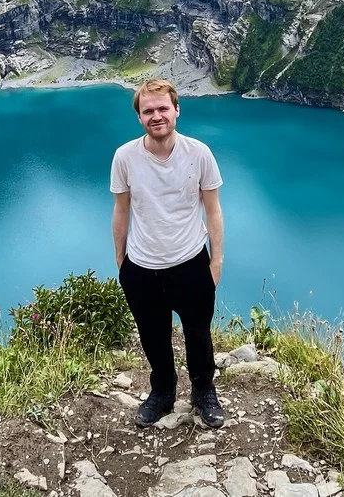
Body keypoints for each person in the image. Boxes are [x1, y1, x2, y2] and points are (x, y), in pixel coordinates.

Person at [110, 78, 225, 428]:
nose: (156, 116)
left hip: (191, 261)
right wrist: (122, 261)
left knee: (198, 333)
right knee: (153, 335)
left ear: (176, 110)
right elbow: (121, 210)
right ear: (139, 117)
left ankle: (204, 390)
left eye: (163, 108)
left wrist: (215, 262)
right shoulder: (125, 157)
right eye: (148, 111)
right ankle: (162, 391)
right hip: (142, 267)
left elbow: (213, 209)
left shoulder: (199, 153)